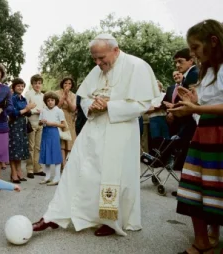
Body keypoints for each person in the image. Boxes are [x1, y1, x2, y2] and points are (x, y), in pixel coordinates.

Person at [32, 34, 159, 237]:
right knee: (77, 168)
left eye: (101, 58)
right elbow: (84, 98)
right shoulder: (97, 69)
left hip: (121, 130)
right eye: (95, 59)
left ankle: (109, 219)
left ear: (115, 50)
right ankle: (55, 215)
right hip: (94, 128)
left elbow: (142, 104)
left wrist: (109, 105)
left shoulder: (137, 66)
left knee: (113, 175)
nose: (98, 63)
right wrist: (91, 106)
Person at [168, 19, 223, 254]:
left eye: (195, 48)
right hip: (204, 133)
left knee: (217, 187)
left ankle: (212, 239)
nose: (193, 54)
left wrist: (195, 109)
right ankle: (201, 240)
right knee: (194, 186)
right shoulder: (207, 71)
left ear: (213, 41)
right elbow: (207, 103)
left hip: (219, 133)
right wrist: (191, 102)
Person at [8, 78, 36, 183]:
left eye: (22, 86)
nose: (21, 88)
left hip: (22, 126)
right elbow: (12, 113)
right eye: (18, 86)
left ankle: (19, 172)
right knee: (13, 150)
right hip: (14, 126)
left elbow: (27, 113)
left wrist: (30, 109)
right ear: (14, 87)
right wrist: (27, 109)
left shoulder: (23, 99)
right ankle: (14, 173)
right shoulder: (12, 98)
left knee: (20, 150)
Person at [38, 92, 65, 186]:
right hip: (45, 133)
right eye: (48, 100)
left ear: (55, 101)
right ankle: (47, 176)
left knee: (55, 154)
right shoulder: (43, 111)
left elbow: (63, 125)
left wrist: (53, 123)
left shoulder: (59, 111)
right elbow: (39, 123)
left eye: (52, 100)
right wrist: (41, 122)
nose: (50, 102)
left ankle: (57, 177)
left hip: (54, 132)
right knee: (46, 154)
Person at [25, 74, 46, 178]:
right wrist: (35, 111)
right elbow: (25, 109)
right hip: (31, 123)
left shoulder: (43, 96)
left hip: (40, 124)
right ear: (32, 84)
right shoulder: (28, 95)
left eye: (39, 83)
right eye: (35, 83)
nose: (38, 85)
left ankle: (38, 168)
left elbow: (45, 108)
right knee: (31, 147)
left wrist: (43, 112)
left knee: (38, 147)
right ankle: (30, 169)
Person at [55, 78, 77, 170]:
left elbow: (73, 109)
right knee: (61, 143)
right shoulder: (56, 93)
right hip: (59, 118)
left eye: (69, 83)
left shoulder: (74, 95)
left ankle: (68, 166)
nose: (67, 85)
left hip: (69, 119)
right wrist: (63, 96)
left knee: (69, 142)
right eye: (65, 83)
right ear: (62, 84)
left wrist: (67, 98)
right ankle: (62, 165)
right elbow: (57, 106)